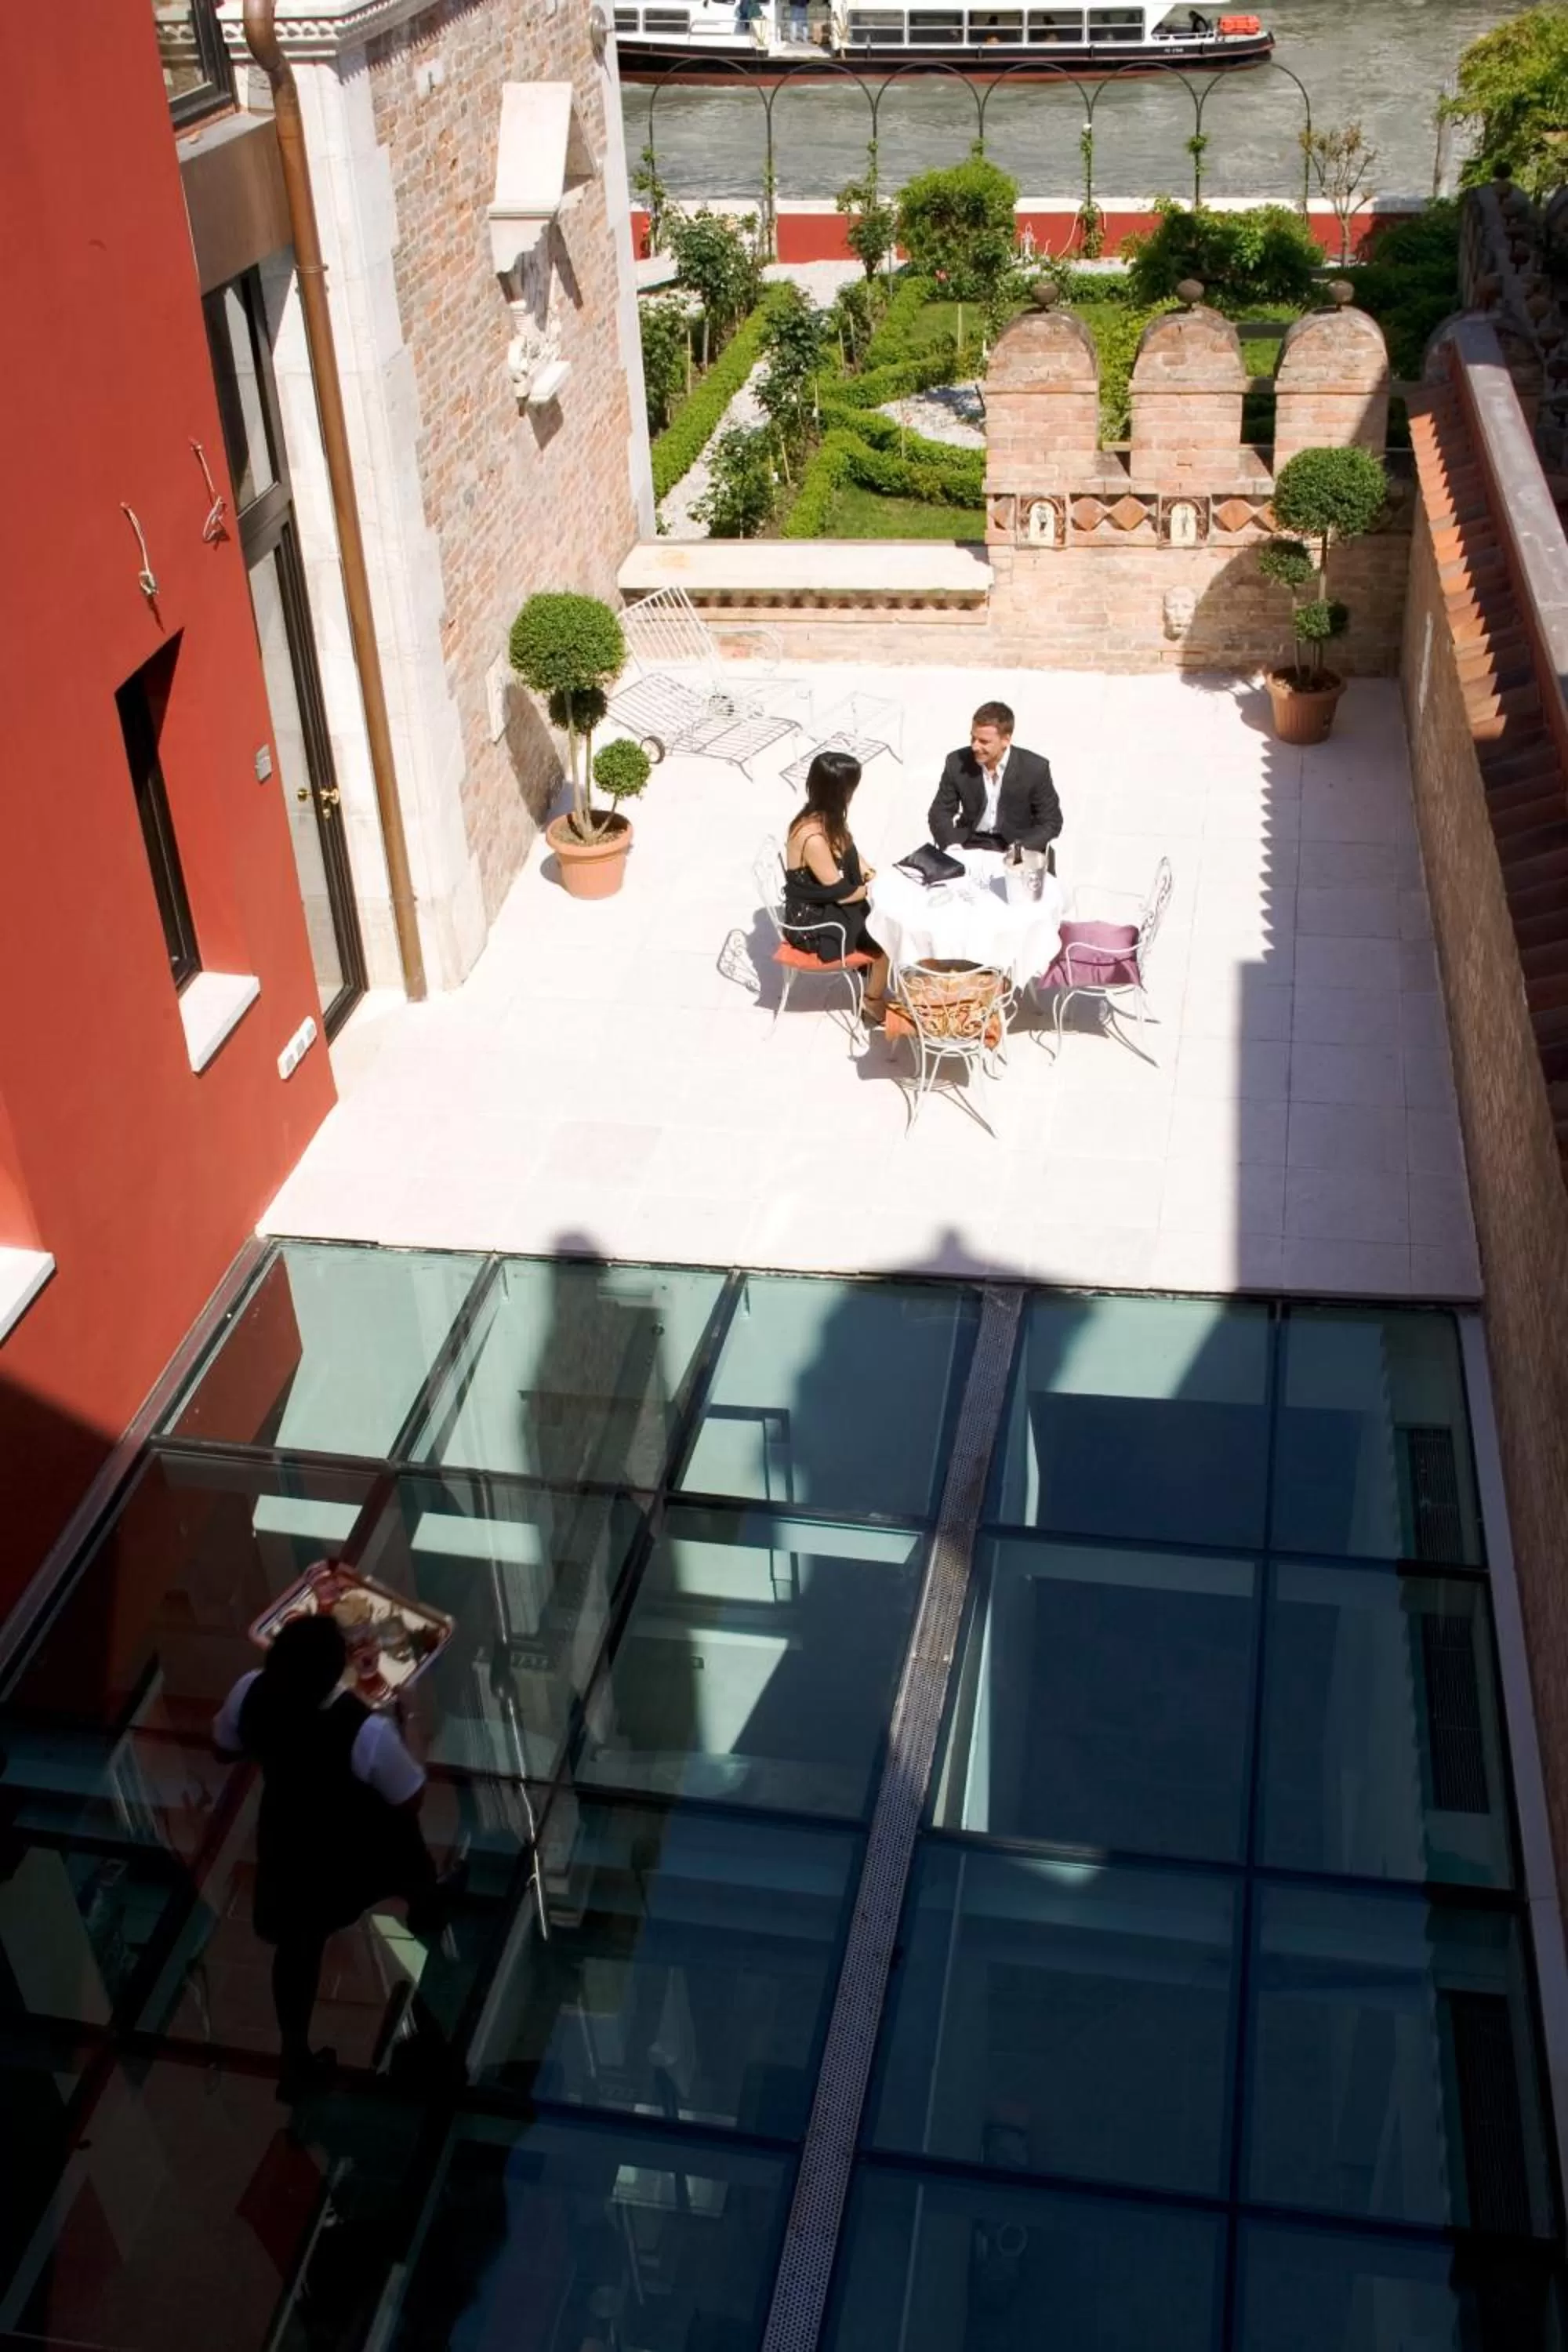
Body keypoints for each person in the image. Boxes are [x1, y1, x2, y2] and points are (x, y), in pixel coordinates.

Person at [212, 1610, 459, 2098]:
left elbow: (223, 1746)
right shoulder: (364, 1731)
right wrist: (411, 1724)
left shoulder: (250, 1692)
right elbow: (409, 1796)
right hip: (361, 1843)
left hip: (292, 1843)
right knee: (413, 1872)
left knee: (299, 1946)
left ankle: (295, 2053)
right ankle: (431, 1940)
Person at [783, 746, 891, 1025]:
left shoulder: (824, 817)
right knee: (886, 942)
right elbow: (841, 895)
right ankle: (871, 1001)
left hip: (827, 902)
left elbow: (848, 846)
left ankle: (870, 977)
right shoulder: (813, 838)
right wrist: (874, 891)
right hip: (815, 923)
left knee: (883, 917)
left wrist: (867, 869)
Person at [927, 700, 1062, 857]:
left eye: (984, 742)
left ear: (1005, 740)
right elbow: (939, 811)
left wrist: (1020, 850)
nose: (975, 747)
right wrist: (952, 846)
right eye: (973, 738)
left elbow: (1051, 822)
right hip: (969, 843)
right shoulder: (956, 763)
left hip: (1015, 845)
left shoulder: (1035, 769)